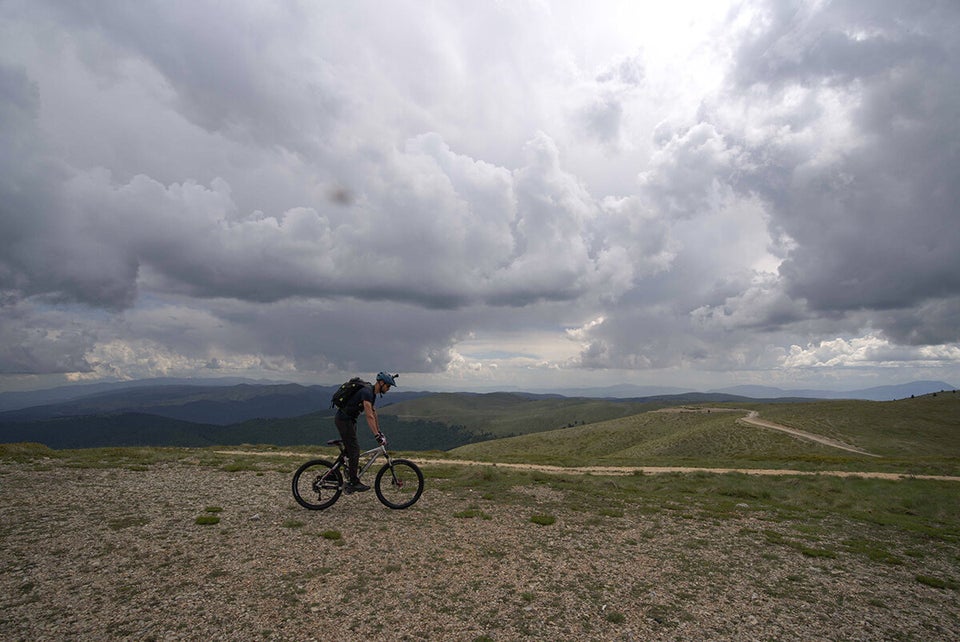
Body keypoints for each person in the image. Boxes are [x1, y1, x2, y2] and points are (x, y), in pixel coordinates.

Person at [333, 371, 397, 493]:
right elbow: (369, 416)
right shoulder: (367, 392)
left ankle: (333, 473)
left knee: (349, 451)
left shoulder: (371, 393)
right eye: (388, 386)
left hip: (349, 420)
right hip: (344, 420)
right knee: (354, 450)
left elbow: (374, 413)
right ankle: (353, 482)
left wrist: (379, 431)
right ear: (381, 383)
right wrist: (376, 435)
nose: (388, 389)